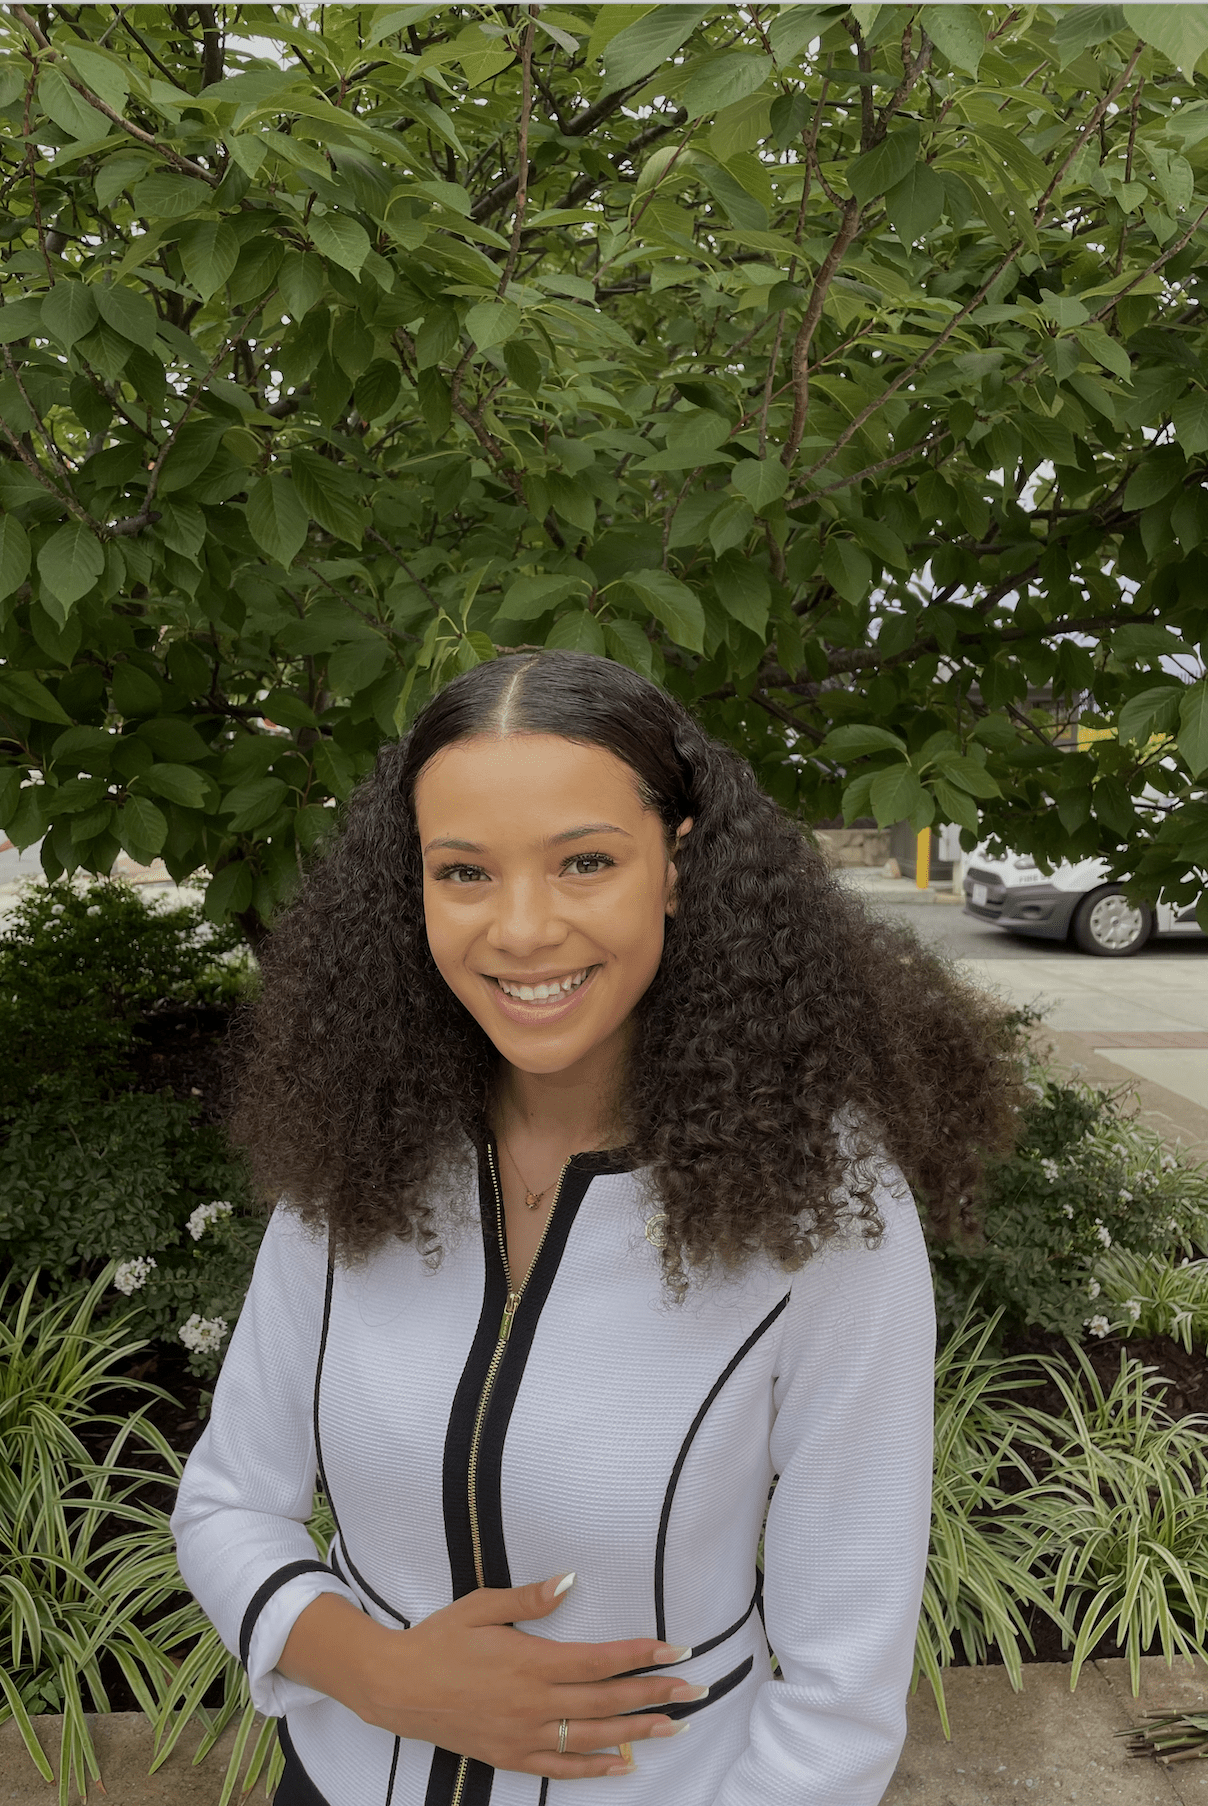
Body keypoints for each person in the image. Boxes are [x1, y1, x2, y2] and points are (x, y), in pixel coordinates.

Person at [172, 650, 1019, 1806]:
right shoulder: (356, 1154)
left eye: (584, 862)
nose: (522, 929)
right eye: (463, 871)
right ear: (410, 889)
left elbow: (838, 1698)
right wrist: (383, 1677)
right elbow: (228, 1502)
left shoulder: (821, 1210)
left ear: (675, 869)